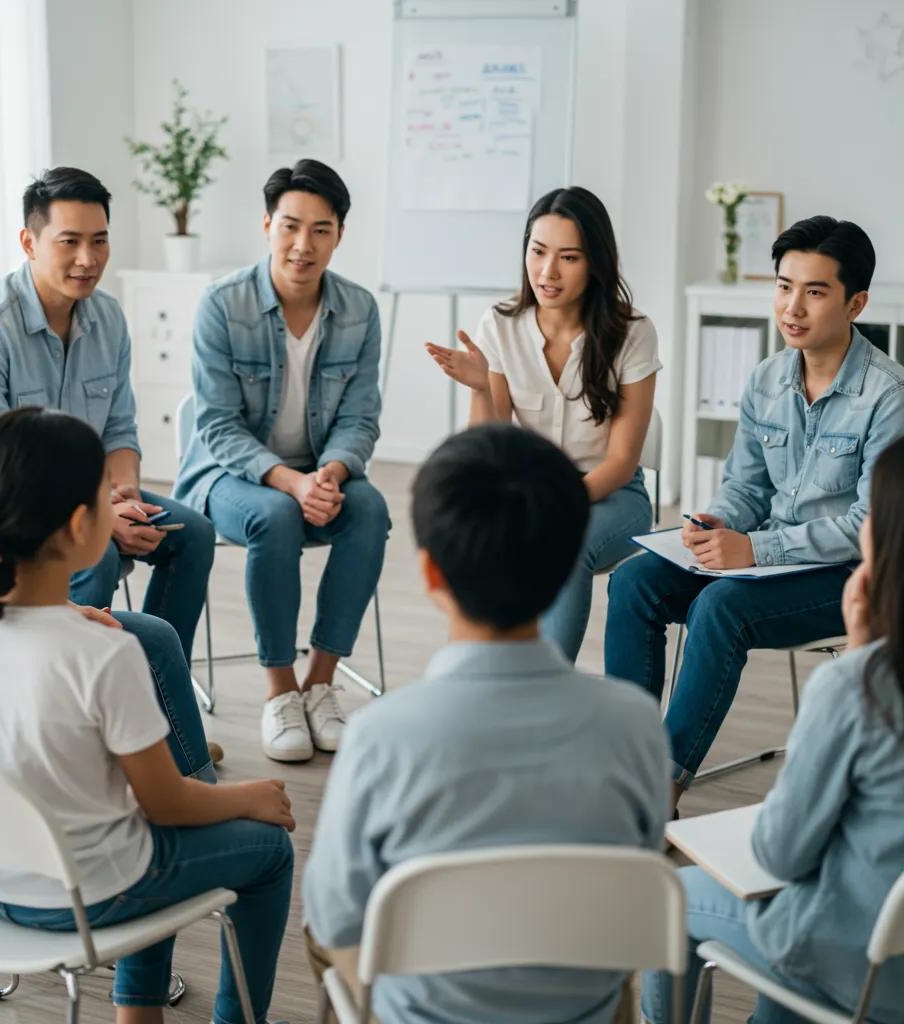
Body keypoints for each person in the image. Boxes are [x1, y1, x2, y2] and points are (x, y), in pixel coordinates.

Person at [0, 406, 294, 1024]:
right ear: (78, 525)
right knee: (269, 851)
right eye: (107, 492)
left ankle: (139, 1014)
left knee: (146, 830)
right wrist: (251, 796)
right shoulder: (106, 655)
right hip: (82, 893)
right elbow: (167, 806)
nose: (118, 500)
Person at [303, 423, 669, 1024]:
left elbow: (339, 914)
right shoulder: (634, 723)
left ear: (432, 576)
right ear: (565, 567)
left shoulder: (382, 736)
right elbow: (639, 871)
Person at [0, 231, 215, 780]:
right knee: (140, 648)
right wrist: (41, 620)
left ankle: (173, 782)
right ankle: (186, 803)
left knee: (144, 637)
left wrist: (46, 613)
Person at [604, 215, 904, 811]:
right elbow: (744, 488)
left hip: (849, 575)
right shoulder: (767, 378)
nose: (792, 306)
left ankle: (660, 789)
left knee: (722, 607)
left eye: (814, 291)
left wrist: (755, 549)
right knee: (634, 580)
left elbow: (868, 528)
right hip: (768, 558)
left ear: (855, 303)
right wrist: (716, 522)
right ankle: (626, 764)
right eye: (784, 286)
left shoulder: (888, 396)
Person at [642, 435, 904, 1024]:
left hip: (852, 967)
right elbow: (745, 484)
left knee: (673, 900)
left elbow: (778, 855)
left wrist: (861, 657)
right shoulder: (770, 382)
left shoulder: (860, 689)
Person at [0, 167, 215, 666]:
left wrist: (124, 494)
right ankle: (82, 690)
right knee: (97, 551)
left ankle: (156, 687)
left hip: (95, 497)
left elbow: (119, 427)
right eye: (69, 241)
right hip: (21, 510)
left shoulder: (109, 317)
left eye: (100, 241)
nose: (87, 259)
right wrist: (100, 516)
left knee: (193, 534)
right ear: (29, 241)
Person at [174, 159, 389, 763]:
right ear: (267, 225)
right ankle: (279, 691)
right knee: (277, 516)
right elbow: (215, 424)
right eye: (290, 226)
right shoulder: (223, 304)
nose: (303, 245)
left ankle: (320, 684)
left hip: (319, 473)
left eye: (321, 230)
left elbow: (360, 417)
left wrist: (334, 472)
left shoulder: (360, 310)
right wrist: (291, 482)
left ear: (339, 235)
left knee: (369, 509)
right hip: (229, 477)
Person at [425, 186, 659, 662]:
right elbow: (485, 449)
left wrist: (553, 505)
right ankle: (474, 685)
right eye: (538, 252)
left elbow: (620, 461)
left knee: (564, 545)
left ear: (595, 262)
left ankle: (544, 686)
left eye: (568, 257)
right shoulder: (500, 325)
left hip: (615, 496)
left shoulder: (632, 332)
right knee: (475, 538)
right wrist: (479, 385)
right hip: (529, 492)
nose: (547, 272)